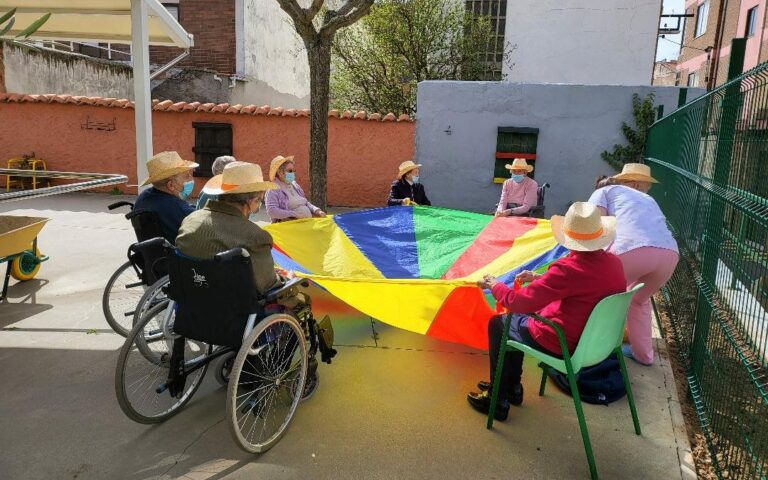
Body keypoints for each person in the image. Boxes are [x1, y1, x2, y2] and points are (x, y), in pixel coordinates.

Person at [470, 202, 625, 420]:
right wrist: (539, 279)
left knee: (501, 323)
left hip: (563, 341)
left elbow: (518, 302)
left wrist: (494, 284)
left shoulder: (568, 270)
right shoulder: (614, 264)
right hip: (597, 343)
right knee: (513, 324)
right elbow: (582, 287)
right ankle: (509, 387)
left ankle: (498, 397)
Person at [588, 163, 679, 366]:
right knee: (639, 300)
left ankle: (591, 350)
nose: (648, 189)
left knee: (598, 295)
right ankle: (644, 355)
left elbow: (594, 227)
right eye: (647, 185)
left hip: (630, 250)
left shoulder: (604, 191)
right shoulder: (648, 199)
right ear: (636, 184)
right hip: (669, 255)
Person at [176, 161, 283, 297]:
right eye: (259, 201)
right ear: (252, 201)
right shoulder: (255, 237)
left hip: (190, 304)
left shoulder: (190, 220)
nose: (257, 207)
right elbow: (268, 285)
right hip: (235, 311)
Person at [134, 151, 197, 243]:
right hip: (178, 254)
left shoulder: (144, 196)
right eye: (186, 176)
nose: (191, 179)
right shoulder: (174, 206)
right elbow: (205, 224)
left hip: (154, 253)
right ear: (170, 185)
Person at [265, 155, 326, 222]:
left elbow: (305, 202)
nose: (293, 173)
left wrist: (317, 210)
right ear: (280, 173)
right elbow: (272, 211)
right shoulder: (273, 189)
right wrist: (294, 214)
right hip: (288, 227)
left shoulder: (294, 185)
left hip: (307, 223)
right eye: (290, 171)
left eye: (294, 170)